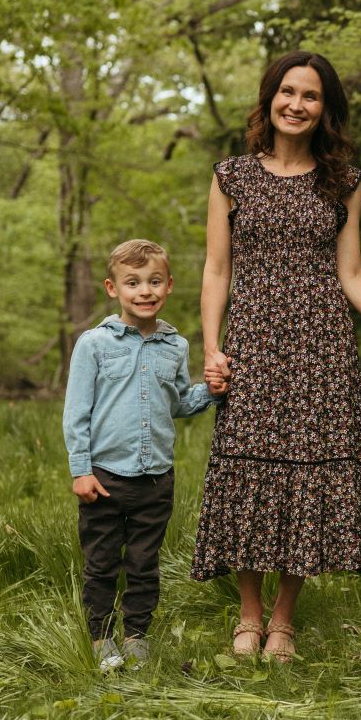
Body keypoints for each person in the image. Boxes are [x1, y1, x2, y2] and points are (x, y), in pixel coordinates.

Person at [192, 51, 361, 664]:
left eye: (311, 96)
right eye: (288, 93)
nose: (297, 105)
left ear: (326, 109)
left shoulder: (344, 182)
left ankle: (283, 620)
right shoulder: (231, 176)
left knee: (305, 473)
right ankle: (247, 614)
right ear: (269, 98)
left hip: (320, 348)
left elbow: (351, 273)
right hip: (251, 344)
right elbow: (216, 268)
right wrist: (213, 346)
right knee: (245, 471)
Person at [63, 239, 213, 672]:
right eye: (133, 282)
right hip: (105, 479)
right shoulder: (94, 344)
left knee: (145, 564)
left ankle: (137, 637)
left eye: (153, 281)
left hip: (155, 479)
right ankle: (99, 638)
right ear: (113, 288)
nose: (144, 291)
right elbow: (77, 413)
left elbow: (180, 402)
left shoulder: (176, 347)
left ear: (168, 287)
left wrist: (213, 392)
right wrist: (81, 470)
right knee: (102, 563)